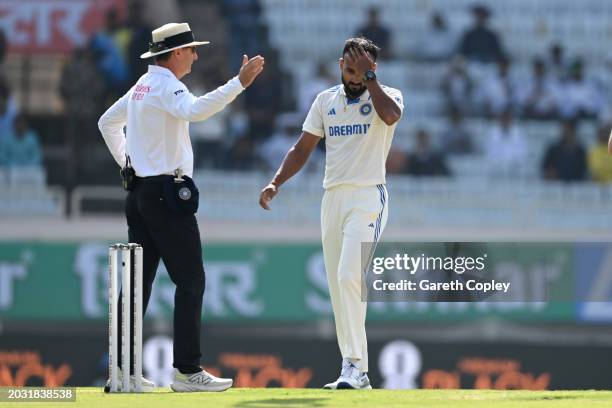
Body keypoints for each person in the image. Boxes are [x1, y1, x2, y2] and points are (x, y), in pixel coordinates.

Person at [98, 22, 264, 392]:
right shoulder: (167, 85)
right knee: (191, 280)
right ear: (175, 54)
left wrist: (129, 163)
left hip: (140, 193)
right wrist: (238, 83)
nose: (196, 54)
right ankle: (187, 371)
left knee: (138, 284)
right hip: (164, 195)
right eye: (191, 49)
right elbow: (196, 111)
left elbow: (107, 122)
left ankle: (122, 371)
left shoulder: (143, 85)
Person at [258, 37, 403, 389]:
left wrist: (370, 79)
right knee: (338, 287)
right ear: (340, 64)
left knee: (348, 275)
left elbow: (391, 116)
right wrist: (276, 182)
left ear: (373, 69)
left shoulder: (388, 95)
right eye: (349, 70)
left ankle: (357, 366)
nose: (354, 78)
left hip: (368, 196)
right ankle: (352, 368)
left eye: (362, 71)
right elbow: (302, 147)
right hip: (332, 197)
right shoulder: (325, 101)